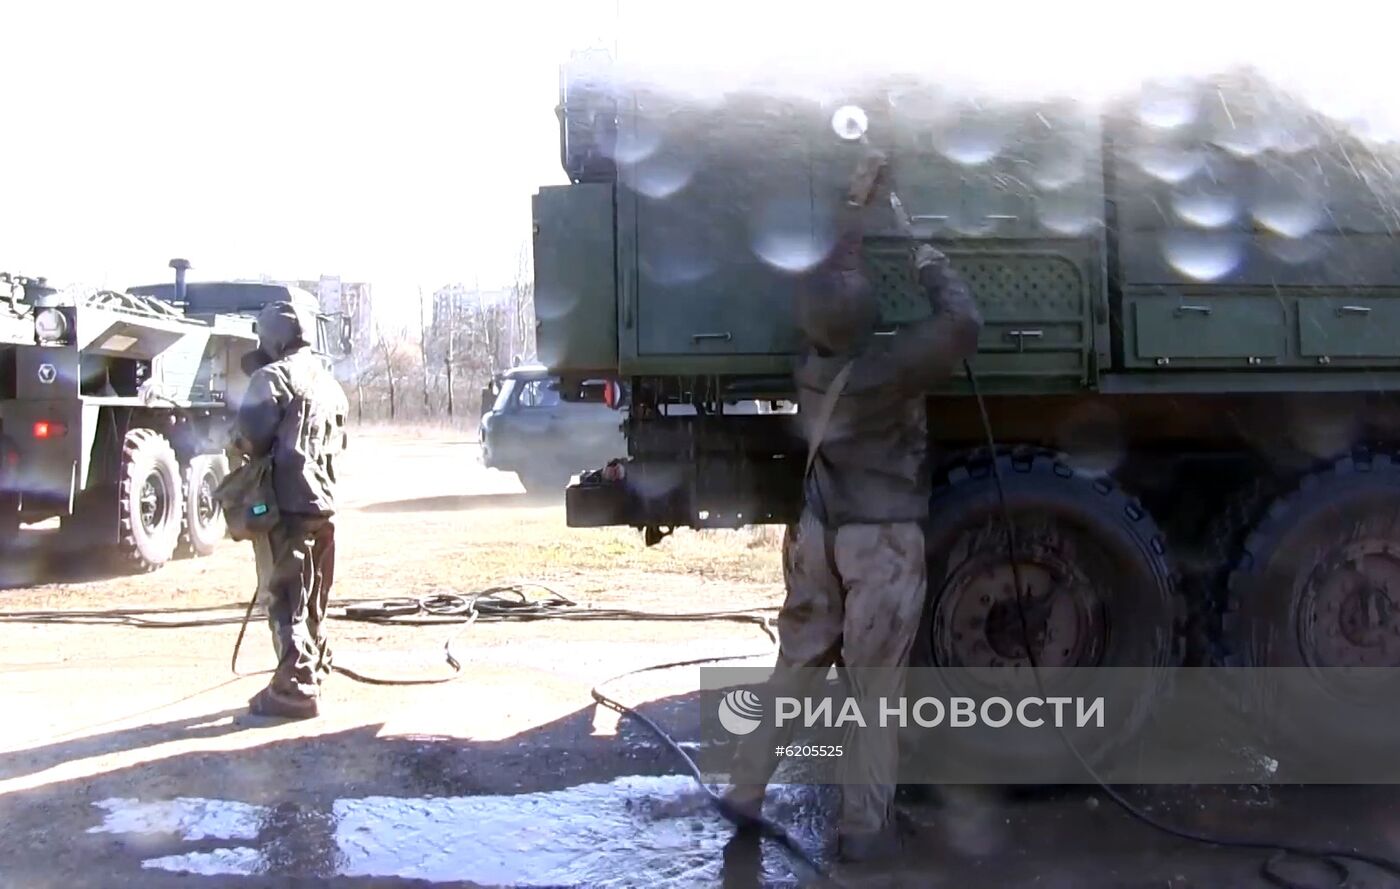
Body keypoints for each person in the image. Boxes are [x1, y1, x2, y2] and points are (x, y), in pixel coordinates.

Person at [722, 148, 983, 862]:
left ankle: (744, 791)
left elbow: (833, 283)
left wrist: (856, 204)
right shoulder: (887, 368)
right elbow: (963, 325)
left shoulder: (810, 365)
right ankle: (863, 829)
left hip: (816, 534)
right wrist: (930, 263)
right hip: (880, 542)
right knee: (877, 690)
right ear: (868, 318)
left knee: (796, 668)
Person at [234, 300, 349, 719]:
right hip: (323, 505)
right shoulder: (330, 383)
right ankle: (314, 664)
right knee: (314, 594)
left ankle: (295, 689)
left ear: (274, 337)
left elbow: (248, 439)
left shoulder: (272, 378)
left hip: (286, 505)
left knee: (284, 596)